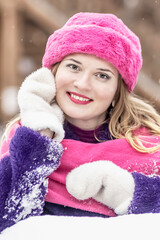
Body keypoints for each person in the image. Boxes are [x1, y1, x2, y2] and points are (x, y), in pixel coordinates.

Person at [0, 12, 160, 233]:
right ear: (53, 72)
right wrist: (38, 140)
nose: (83, 84)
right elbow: (8, 220)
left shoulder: (149, 145)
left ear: (117, 91)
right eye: (74, 67)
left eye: (102, 75)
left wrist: (132, 192)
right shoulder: (24, 136)